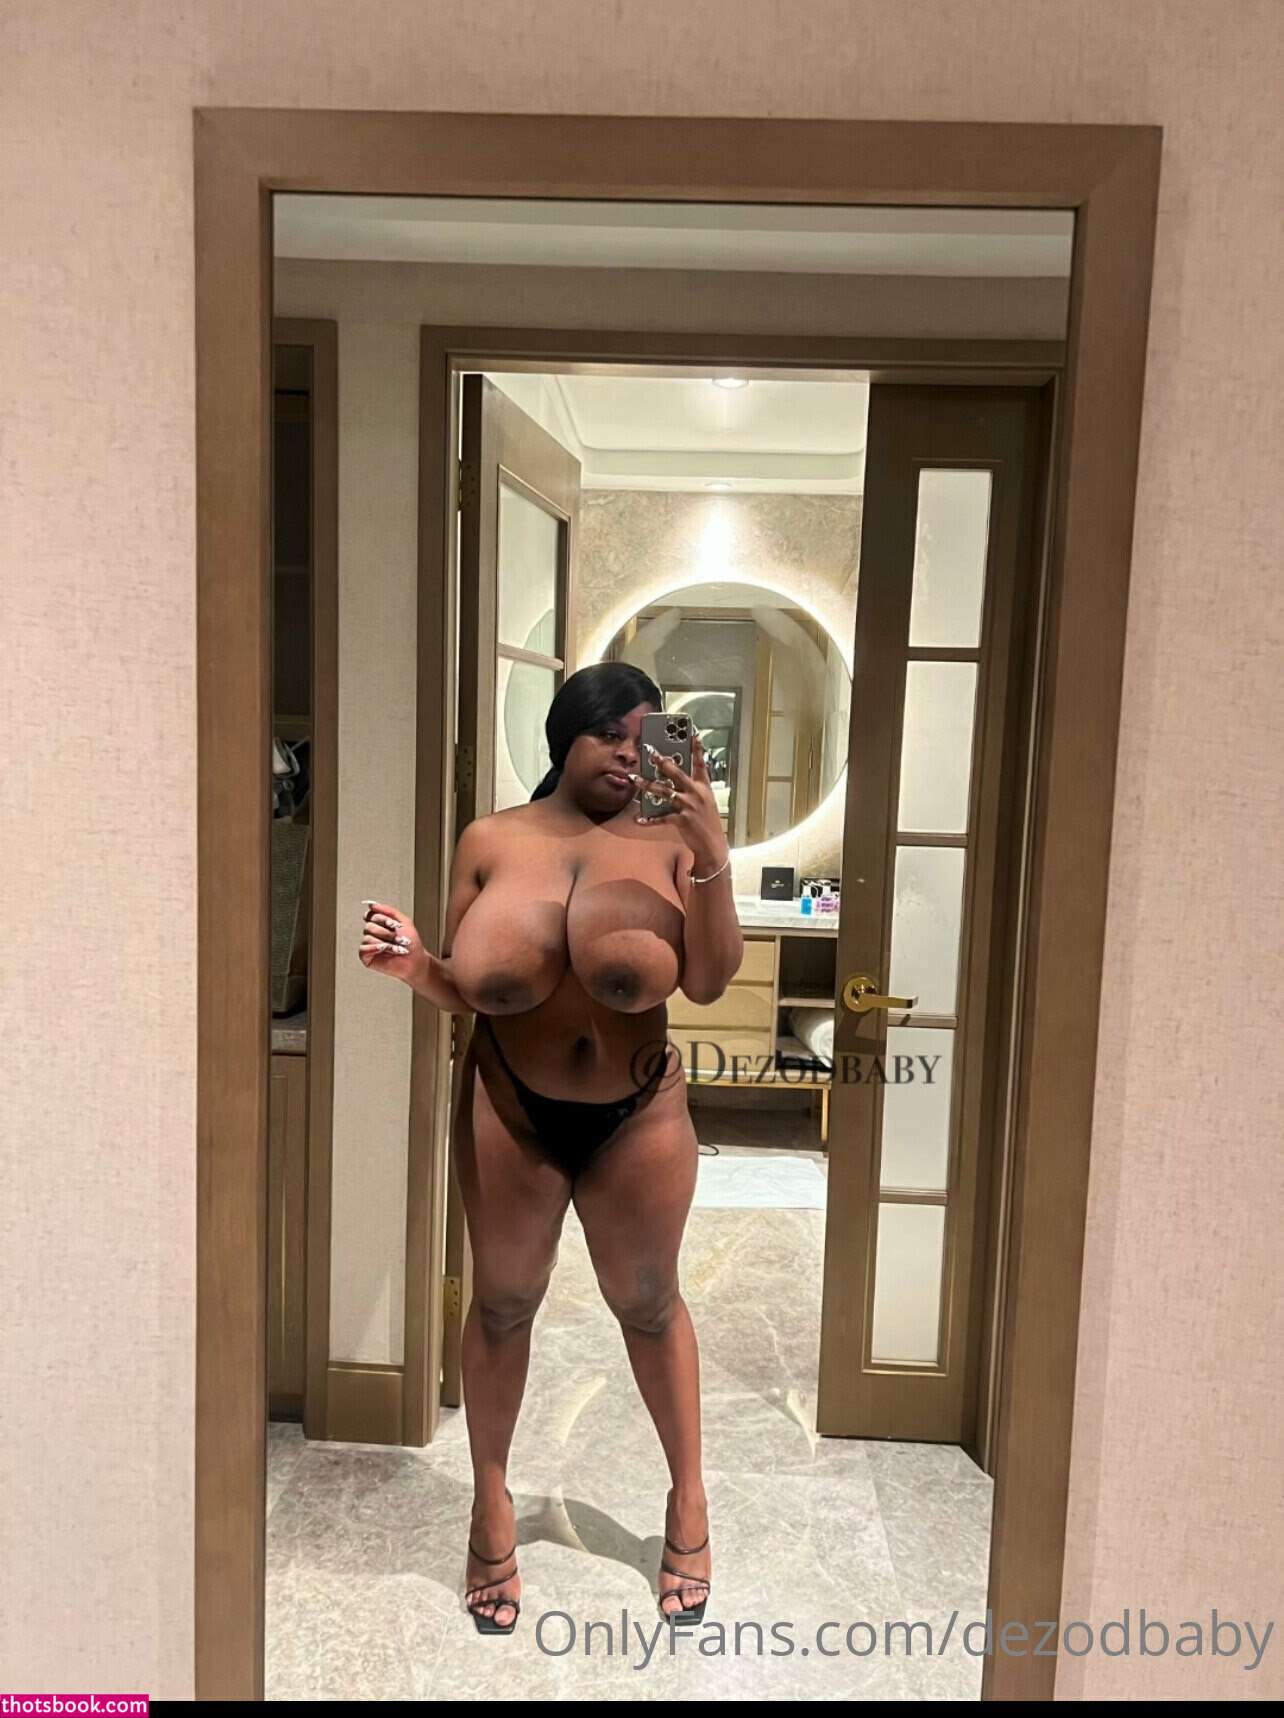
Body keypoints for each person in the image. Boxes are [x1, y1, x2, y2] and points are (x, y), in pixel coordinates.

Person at [358, 662, 743, 1635]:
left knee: (649, 1305)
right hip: (508, 1103)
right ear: (565, 734)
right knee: (500, 1305)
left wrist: (710, 854)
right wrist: (416, 965)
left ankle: (689, 1499)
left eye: (645, 738)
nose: (627, 753)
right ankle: (490, 1504)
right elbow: (465, 985)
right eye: (609, 732)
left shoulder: (670, 842)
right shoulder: (490, 839)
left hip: (638, 1116)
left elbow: (707, 980)